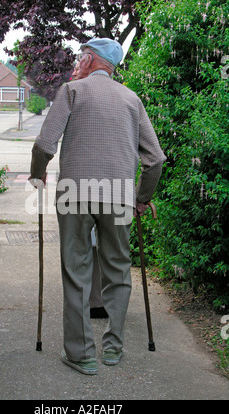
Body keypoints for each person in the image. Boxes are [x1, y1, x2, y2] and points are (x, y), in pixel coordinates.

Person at [30, 38, 166, 375]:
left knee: (76, 272)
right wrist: (142, 198)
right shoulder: (132, 99)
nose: (77, 63)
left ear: (90, 60)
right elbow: (156, 159)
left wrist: (37, 176)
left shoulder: (71, 91)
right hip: (119, 194)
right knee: (118, 270)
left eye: (80, 58)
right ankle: (112, 349)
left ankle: (81, 355)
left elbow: (45, 144)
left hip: (75, 192)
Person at [72, 60, 108, 320]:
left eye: (78, 65)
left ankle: (96, 301)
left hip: (91, 186)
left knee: (90, 248)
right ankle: (98, 300)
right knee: (99, 247)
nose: (74, 71)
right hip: (108, 187)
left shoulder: (77, 94)